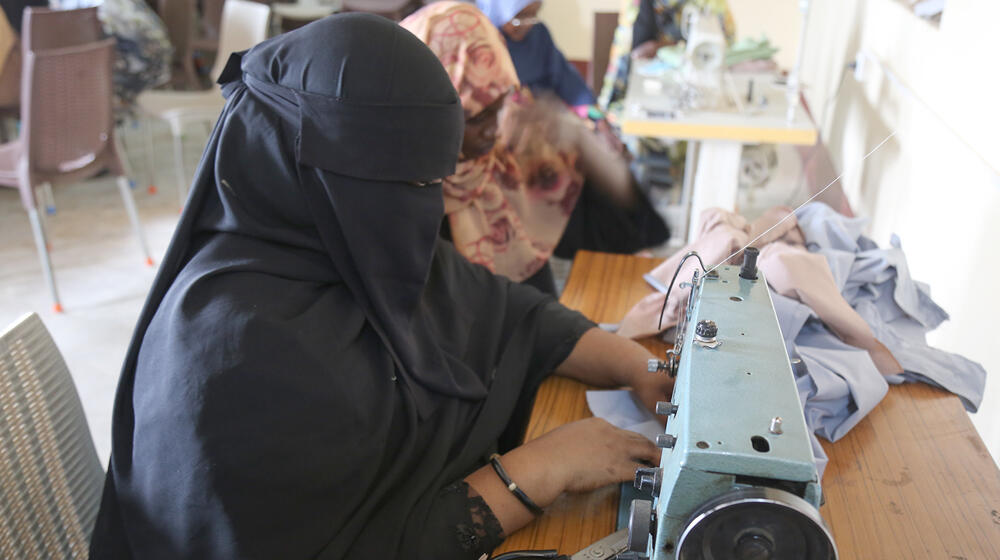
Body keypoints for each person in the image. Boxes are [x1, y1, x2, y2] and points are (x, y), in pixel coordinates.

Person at [89, 14, 672, 560]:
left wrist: (635, 369)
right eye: (413, 181)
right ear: (323, 178)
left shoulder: (352, 248)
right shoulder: (231, 356)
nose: (428, 203)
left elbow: (510, 311)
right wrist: (540, 471)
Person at [402, 2, 668, 294]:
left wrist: (591, 129)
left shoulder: (496, 163)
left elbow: (573, 90)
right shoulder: (407, 207)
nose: (494, 129)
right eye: (478, 116)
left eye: (501, 106)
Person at [598, 0, 734, 113]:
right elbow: (635, 54)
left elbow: (726, 49)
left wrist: (661, 46)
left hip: (698, 93)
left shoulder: (713, 4)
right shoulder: (639, 5)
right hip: (638, 97)